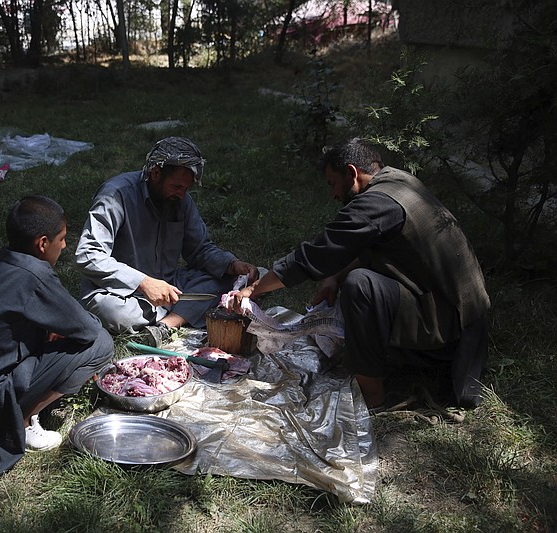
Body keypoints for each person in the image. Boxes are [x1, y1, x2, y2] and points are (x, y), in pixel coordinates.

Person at [228, 138, 490, 409]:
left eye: (332, 183)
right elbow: (368, 246)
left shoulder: (375, 205)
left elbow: (312, 256)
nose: (333, 194)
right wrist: (333, 278)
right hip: (462, 310)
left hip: (447, 321)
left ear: (352, 173)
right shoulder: (397, 180)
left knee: (360, 286)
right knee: (351, 279)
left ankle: (373, 395)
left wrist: (253, 289)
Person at [0, 195, 113, 480]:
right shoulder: (35, 275)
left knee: (56, 334)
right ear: (42, 243)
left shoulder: (4, 261)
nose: (65, 245)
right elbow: (88, 329)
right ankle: (19, 421)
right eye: (62, 239)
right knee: (102, 344)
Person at [75, 136, 258, 347]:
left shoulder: (180, 201)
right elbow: (87, 255)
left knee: (226, 280)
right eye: (177, 186)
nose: (181, 195)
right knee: (107, 310)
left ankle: (167, 325)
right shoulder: (116, 195)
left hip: (170, 290)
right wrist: (143, 282)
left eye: (186, 189)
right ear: (155, 173)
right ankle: (181, 316)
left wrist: (233, 265)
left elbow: (199, 250)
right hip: (123, 294)